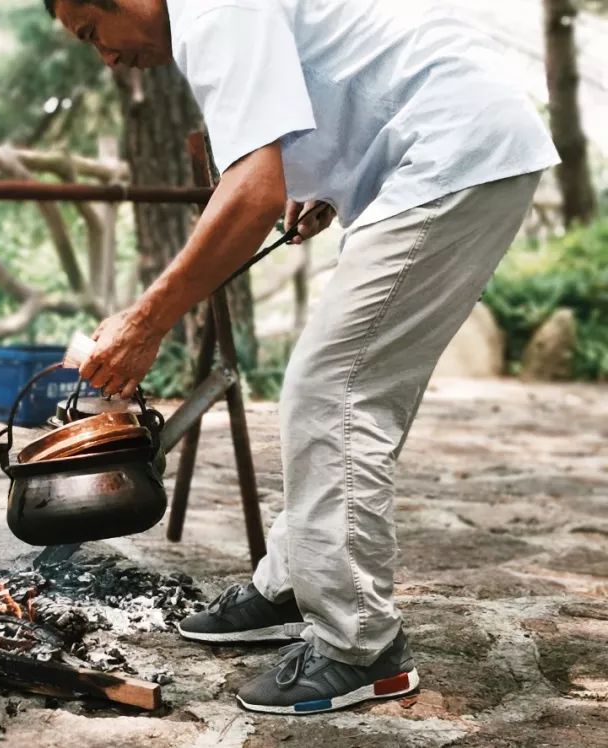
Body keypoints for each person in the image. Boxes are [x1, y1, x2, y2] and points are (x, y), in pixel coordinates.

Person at [43, 0, 560, 715]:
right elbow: (309, 107)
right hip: (438, 148)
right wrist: (324, 181)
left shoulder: (210, 13)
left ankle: (360, 648)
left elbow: (253, 188)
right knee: (337, 389)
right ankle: (293, 581)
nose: (105, 58)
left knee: (335, 392)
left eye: (94, 33)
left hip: (452, 150)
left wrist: (142, 322)